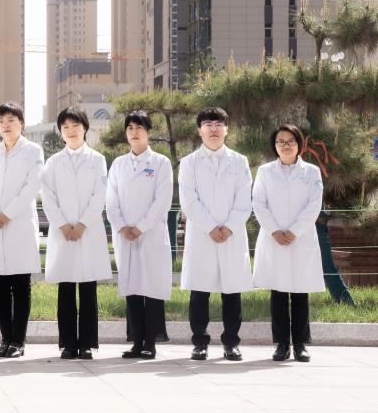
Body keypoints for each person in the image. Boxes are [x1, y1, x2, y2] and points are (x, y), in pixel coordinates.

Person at [179, 107, 254, 361]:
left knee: (231, 291)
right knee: (199, 291)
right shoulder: (189, 163)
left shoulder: (239, 161)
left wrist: (229, 226)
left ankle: (231, 342)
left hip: (232, 234)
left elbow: (244, 198)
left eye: (219, 124)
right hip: (202, 234)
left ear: (227, 129)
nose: (213, 129)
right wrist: (211, 227)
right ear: (199, 130)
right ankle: (199, 342)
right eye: (208, 124)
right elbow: (189, 200)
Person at [40, 106, 111, 360]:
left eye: (75, 126)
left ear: (85, 128)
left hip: (88, 232)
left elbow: (99, 195)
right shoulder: (53, 163)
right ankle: (68, 343)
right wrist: (63, 224)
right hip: (63, 233)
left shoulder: (97, 160)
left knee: (89, 289)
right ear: (61, 131)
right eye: (65, 127)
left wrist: (82, 224)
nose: (71, 131)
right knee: (66, 289)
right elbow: (48, 197)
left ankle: (88, 344)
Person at [0, 102, 44, 359]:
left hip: (18, 224)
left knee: (21, 285)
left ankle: (18, 341)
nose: (6, 125)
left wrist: (7, 214)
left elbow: (32, 186)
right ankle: (5, 339)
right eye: (1, 121)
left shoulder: (33, 151)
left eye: (11, 120)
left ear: (21, 124)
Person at [252, 124, 324, 363]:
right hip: (274, 238)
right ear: (275, 145)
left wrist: (294, 232)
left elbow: (314, 205)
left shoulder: (311, 172)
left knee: (300, 292)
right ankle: (282, 344)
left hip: (301, 239)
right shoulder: (265, 172)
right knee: (279, 292)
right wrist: (275, 231)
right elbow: (258, 203)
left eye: (290, 141)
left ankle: (300, 344)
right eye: (280, 141)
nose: (285, 145)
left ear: (299, 144)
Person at [105, 110, 173, 360]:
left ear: (149, 133)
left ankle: (150, 343)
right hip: (125, 235)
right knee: (132, 288)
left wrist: (140, 227)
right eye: (130, 128)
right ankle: (136, 342)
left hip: (150, 234)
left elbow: (162, 201)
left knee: (152, 288)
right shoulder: (118, 164)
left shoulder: (161, 163)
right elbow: (111, 200)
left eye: (139, 128)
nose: (134, 133)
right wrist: (122, 226)